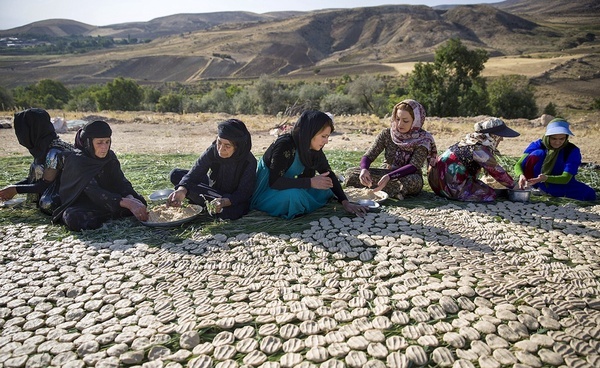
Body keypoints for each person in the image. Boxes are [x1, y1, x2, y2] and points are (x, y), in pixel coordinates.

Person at [251, 110, 368, 219]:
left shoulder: (312, 149)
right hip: (268, 190)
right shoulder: (285, 145)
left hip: (288, 185)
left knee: (327, 187)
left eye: (327, 137)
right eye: (323, 136)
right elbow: (275, 182)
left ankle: (304, 204)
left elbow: (328, 174)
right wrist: (310, 182)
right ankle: (298, 205)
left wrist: (345, 202)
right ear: (309, 133)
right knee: (294, 197)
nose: (326, 141)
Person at [52, 120, 148, 231]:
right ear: (88, 143)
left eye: (107, 142)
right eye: (99, 142)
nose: (104, 147)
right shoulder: (77, 161)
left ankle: (112, 214)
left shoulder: (110, 156)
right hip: (85, 204)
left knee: (140, 201)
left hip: (110, 201)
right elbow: (95, 192)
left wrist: (130, 198)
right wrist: (127, 203)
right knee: (73, 217)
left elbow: (120, 181)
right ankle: (115, 213)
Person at [344, 99, 437, 199]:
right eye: (397, 119)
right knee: (351, 174)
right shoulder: (387, 134)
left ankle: (378, 188)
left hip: (408, 176)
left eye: (405, 121)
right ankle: (393, 191)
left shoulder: (423, 140)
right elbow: (369, 155)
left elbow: (413, 166)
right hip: (385, 173)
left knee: (413, 182)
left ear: (416, 121)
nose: (400, 124)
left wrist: (390, 177)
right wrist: (364, 169)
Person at [167, 119, 257, 220]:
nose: (221, 149)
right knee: (176, 175)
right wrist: (181, 190)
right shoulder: (213, 150)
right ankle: (206, 203)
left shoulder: (249, 161)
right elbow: (195, 173)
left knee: (231, 213)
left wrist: (224, 202)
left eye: (227, 146)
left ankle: (208, 204)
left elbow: (243, 193)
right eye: (219, 142)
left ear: (237, 147)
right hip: (211, 190)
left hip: (230, 198)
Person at [0, 108, 74, 214]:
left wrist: (16, 189)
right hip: (50, 188)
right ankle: (33, 202)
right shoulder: (43, 148)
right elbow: (36, 177)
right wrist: (11, 189)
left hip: (66, 194)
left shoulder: (53, 152)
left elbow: (45, 184)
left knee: (47, 204)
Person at [428, 117, 519, 202]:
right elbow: (495, 170)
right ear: (492, 136)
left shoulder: (469, 141)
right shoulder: (479, 149)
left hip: (436, 185)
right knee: (489, 193)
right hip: (448, 187)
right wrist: (514, 185)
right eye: (500, 136)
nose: (502, 139)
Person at [514, 118, 596, 201]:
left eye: (561, 139)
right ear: (548, 136)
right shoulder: (537, 145)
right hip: (535, 181)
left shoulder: (572, 151)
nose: (557, 142)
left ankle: (547, 191)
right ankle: (534, 187)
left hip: (558, 182)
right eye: (554, 138)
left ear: (566, 137)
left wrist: (545, 178)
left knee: (589, 193)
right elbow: (519, 164)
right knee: (538, 153)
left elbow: (566, 178)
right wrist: (521, 175)